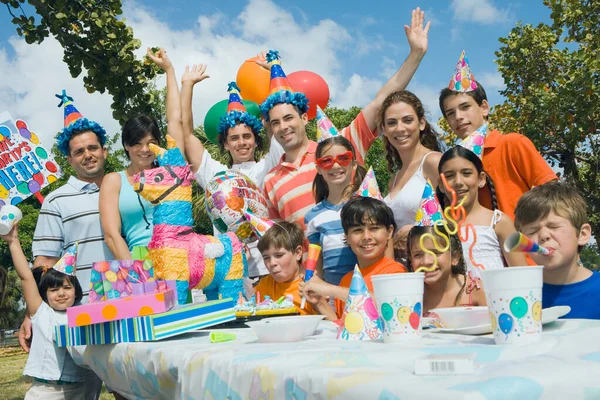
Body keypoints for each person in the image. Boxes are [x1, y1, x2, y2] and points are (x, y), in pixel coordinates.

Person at [262, 8, 430, 229]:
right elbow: (281, 239)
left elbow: (380, 101)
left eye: (288, 118)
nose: (283, 127)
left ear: (304, 117)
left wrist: (415, 54)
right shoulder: (270, 180)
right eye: (275, 122)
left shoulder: (341, 147)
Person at [147, 48, 281, 278]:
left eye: (247, 136)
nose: (242, 143)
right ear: (226, 145)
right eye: (234, 138)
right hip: (230, 271)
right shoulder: (217, 174)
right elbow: (187, 134)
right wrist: (187, 85)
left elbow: (279, 126)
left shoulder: (269, 166)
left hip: (272, 268)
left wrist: (275, 73)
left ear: (257, 141)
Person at [25, 91, 114, 399]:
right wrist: (32, 313)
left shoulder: (126, 192)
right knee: (81, 393)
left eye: (92, 147)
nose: (87, 154)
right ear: (69, 158)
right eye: (79, 151)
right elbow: (44, 262)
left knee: (131, 390)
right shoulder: (56, 200)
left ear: (104, 150)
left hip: (125, 308)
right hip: (77, 316)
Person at [439, 73, 556, 219]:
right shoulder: (455, 162)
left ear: (484, 108)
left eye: (465, 107)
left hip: (521, 239)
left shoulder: (512, 144)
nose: (458, 117)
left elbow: (553, 194)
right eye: (450, 113)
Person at [1, 225, 86, 399]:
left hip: (77, 389)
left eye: (67, 287)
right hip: (44, 391)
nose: (61, 293)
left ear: (76, 291)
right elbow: (26, 276)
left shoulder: (83, 315)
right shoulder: (41, 311)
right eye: (54, 290)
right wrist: (13, 241)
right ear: (45, 295)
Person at [300, 197, 406, 318]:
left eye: (374, 228)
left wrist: (329, 289)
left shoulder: (395, 272)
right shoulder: (346, 280)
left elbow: (388, 304)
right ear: (347, 237)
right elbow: (342, 325)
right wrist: (319, 302)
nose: (366, 236)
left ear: (389, 232)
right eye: (357, 230)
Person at [437, 146, 527, 279]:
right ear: (441, 184)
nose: (458, 182)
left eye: (466, 173)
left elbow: (522, 275)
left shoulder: (499, 222)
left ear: (481, 179)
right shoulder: (438, 226)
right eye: (449, 176)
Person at [514, 181, 600, 319]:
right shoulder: (516, 295)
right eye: (532, 230)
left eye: (553, 226)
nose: (543, 236)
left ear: (582, 234)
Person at [380, 90, 442, 257]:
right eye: (392, 123)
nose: (400, 128)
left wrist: (416, 231)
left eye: (407, 120)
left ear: (421, 123)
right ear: (384, 130)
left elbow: (458, 215)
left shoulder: (434, 162)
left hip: (432, 264)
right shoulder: (393, 179)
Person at [304, 136, 367, 285]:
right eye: (327, 161)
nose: (335, 166)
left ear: (354, 164)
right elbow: (317, 268)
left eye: (343, 158)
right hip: (332, 299)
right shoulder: (313, 216)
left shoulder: (368, 205)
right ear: (318, 169)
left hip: (366, 293)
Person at [99, 116, 160, 260]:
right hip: (142, 262)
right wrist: (134, 271)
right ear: (126, 145)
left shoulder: (171, 173)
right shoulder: (114, 180)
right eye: (137, 144)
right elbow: (111, 236)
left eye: (151, 143)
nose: (145, 150)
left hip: (180, 258)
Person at [255, 221, 335, 319]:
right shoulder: (263, 286)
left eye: (279, 255)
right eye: (266, 257)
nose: (272, 263)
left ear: (298, 253)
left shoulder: (312, 285)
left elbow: (335, 325)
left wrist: (319, 303)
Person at [407, 226, 486, 317]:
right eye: (418, 255)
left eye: (436, 252)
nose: (426, 261)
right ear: (410, 259)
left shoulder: (476, 291)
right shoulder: (409, 297)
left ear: (455, 257)